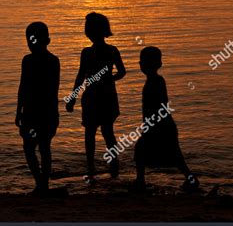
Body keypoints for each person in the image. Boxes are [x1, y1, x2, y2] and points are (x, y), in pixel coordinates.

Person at [66, 12, 126, 182]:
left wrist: (73, 97)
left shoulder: (87, 53)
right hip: (106, 96)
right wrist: (110, 78)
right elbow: (121, 72)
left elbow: (80, 77)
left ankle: (91, 166)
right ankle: (113, 165)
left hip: (94, 97)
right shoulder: (112, 51)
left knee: (91, 133)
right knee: (108, 132)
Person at [133, 46, 199, 191]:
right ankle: (189, 178)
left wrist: (152, 124)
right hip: (161, 124)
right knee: (171, 154)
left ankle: (140, 181)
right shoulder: (154, 80)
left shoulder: (156, 81)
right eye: (142, 61)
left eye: (143, 62)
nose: (141, 64)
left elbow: (159, 105)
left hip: (161, 124)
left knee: (144, 151)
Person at [15, 22, 60, 195]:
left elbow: (52, 89)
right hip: (34, 113)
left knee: (40, 147)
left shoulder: (51, 61)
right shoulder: (28, 60)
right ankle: (41, 182)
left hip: (42, 113)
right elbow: (22, 87)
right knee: (33, 147)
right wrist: (19, 111)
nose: (31, 43)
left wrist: (21, 111)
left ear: (47, 40)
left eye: (34, 39)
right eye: (29, 39)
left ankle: (42, 184)